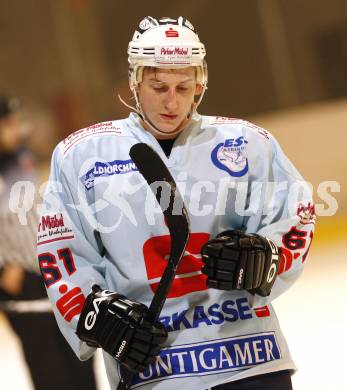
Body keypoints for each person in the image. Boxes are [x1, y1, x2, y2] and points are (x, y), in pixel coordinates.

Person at [37, 16, 315, 390]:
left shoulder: (248, 143)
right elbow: (63, 252)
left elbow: (294, 214)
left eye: (184, 87)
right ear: (136, 80)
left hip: (250, 355)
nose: (172, 101)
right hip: (155, 366)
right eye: (158, 86)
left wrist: (270, 256)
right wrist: (95, 314)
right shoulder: (81, 155)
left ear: (200, 83)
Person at [0, 95, 97, 390]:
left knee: (79, 358)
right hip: (23, 281)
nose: (18, 129)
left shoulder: (19, 157)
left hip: (55, 273)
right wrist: (6, 267)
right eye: (8, 123)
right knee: (51, 373)